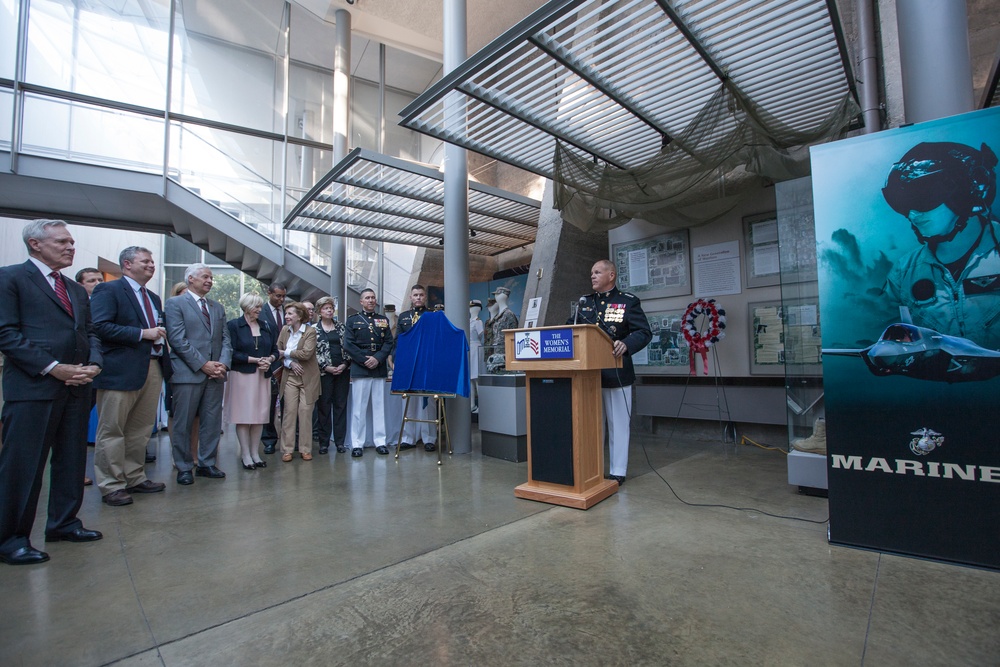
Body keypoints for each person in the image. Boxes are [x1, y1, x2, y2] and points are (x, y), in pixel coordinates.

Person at [0, 219, 104, 565]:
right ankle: (11, 538)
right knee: (24, 465)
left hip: (77, 387)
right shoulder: (11, 278)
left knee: (72, 460)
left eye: (72, 242)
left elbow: (90, 333)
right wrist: (52, 367)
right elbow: (6, 333)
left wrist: (94, 364)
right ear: (35, 244)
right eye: (62, 242)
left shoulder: (74, 289)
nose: (70, 247)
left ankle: (63, 522)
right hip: (34, 387)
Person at [882, 142, 1000, 348]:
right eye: (903, 205)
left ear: (964, 193)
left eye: (922, 200)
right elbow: (882, 333)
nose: (912, 215)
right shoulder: (904, 272)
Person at [90, 246, 172, 506]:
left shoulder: (153, 297)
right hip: (120, 370)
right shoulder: (109, 290)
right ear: (126, 264)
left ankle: (134, 476)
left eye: (152, 262)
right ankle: (111, 484)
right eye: (145, 261)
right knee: (112, 429)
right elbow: (99, 326)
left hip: (152, 367)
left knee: (140, 429)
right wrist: (141, 334)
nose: (151, 265)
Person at [571, 259, 652, 485]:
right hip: (589, 375)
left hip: (617, 373)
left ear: (611, 275)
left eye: (597, 272)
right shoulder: (584, 303)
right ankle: (593, 469)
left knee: (618, 425)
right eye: (591, 273)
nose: (593, 276)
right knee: (592, 426)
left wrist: (626, 344)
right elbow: (572, 328)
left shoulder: (628, 302)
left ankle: (617, 471)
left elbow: (644, 332)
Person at [164, 263, 233, 485]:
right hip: (188, 373)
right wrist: (203, 364)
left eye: (211, 277)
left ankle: (207, 463)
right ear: (190, 279)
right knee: (183, 422)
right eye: (205, 276)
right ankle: (184, 466)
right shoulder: (175, 304)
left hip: (215, 375)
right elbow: (177, 340)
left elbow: (225, 340)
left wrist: (222, 364)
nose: (210, 281)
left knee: (212, 422)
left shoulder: (217, 307)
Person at [225, 293, 278, 470]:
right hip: (242, 376)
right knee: (244, 416)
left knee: (259, 417)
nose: (259, 310)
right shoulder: (233, 326)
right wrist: (254, 360)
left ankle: (256, 453)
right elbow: (231, 352)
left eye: (259, 306)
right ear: (246, 307)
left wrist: (269, 359)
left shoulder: (267, 326)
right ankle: (245, 455)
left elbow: (275, 350)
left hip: (262, 376)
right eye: (256, 306)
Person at [344, 288, 394, 457]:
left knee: (379, 406)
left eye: (373, 297)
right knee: (359, 407)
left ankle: (380, 441)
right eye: (367, 298)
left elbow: (389, 342)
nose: (371, 300)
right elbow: (348, 344)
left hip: (378, 367)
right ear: (361, 301)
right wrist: (365, 360)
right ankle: (357, 443)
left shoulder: (383, 320)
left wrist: (378, 358)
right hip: (361, 367)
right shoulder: (352, 320)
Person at [276, 302, 319, 461]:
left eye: (290, 314)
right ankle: (287, 449)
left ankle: (305, 449)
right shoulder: (284, 331)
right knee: (289, 412)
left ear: (299, 316)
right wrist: (290, 362)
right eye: (285, 313)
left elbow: (307, 353)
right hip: (290, 376)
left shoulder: (310, 331)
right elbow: (277, 352)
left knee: (305, 412)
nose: (286, 316)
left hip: (308, 377)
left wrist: (286, 352)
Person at [396, 284, 436, 452]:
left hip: (427, 364)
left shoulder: (433, 316)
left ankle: (429, 438)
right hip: (408, 364)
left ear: (424, 297)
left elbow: (437, 341)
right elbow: (398, 340)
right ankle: (408, 438)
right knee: (409, 400)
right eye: (415, 295)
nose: (418, 297)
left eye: (421, 295)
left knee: (428, 402)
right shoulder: (404, 317)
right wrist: (394, 359)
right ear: (411, 298)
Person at [314, 296, 350, 454]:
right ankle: (324, 442)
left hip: (342, 371)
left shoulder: (342, 327)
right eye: (325, 308)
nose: (329, 310)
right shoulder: (313, 330)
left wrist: (344, 364)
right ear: (319, 311)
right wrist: (325, 367)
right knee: (324, 407)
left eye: (331, 308)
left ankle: (340, 442)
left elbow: (349, 347)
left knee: (341, 407)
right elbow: (312, 352)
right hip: (324, 373)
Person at [259, 282, 287, 455]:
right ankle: (269, 439)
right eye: (278, 296)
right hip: (270, 363)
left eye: (283, 296)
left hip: (289, 363)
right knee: (269, 403)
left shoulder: (289, 311)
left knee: (288, 404)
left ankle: (288, 439)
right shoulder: (260, 312)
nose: (281, 299)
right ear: (269, 293)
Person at [469, 300, 484, 412]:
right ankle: (472, 404)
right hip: (470, 350)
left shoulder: (478, 322)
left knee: (477, 378)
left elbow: (481, 337)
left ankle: (482, 405)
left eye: (472, 307)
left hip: (477, 348)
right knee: (470, 379)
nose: (470, 309)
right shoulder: (469, 321)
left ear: (477, 308)